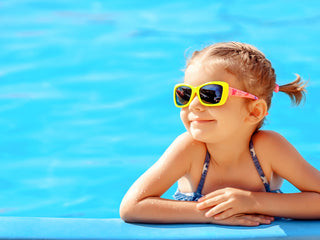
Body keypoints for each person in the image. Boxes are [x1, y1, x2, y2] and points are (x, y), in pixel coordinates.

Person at [119, 42, 320, 226]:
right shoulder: (190, 148)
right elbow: (132, 206)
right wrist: (212, 215)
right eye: (186, 94)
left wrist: (252, 201)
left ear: (254, 111)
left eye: (211, 94)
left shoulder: (268, 148)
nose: (194, 105)